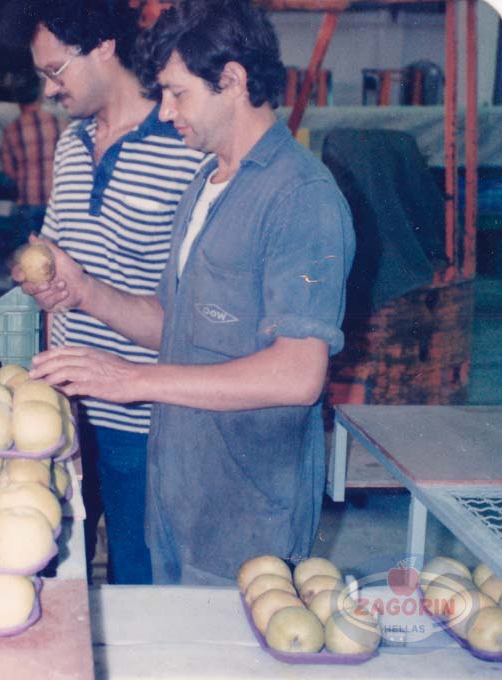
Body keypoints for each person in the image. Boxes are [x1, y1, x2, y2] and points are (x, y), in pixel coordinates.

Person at [20, 0, 355, 585]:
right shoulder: (207, 182)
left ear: (232, 81)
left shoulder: (300, 196)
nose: (166, 111)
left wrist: (132, 380)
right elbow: (169, 325)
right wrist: (86, 292)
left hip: (246, 509)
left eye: (178, 93)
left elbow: (297, 374)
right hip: (177, 487)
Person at [18, 0, 204, 585]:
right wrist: (39, 278)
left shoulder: (184, 146)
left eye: (56, 71)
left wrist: (84, 289)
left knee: (138, 574)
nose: (49, 90)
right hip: (66, 412)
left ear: (103, 47)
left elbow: (187, 317)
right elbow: (53, 251)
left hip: (140, 418)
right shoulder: (71, 143)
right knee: (57, 568)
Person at [0, 70, 63, 249]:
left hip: (28, 202)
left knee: (27, 258)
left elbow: (9, 171)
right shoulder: (59, 124)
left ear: (16, 99)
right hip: (55, 203)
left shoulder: (12, 130)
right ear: (39, 95)